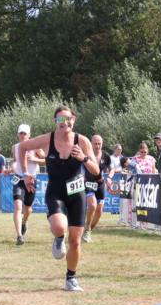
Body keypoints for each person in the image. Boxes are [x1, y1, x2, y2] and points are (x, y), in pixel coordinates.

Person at [16, 106, 102, 291]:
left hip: (77, 193)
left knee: (76, 241)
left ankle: (71, 278)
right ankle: (58, 237)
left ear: (74, 120)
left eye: (69, 119)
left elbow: (96, 171)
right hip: (55, 191)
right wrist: (25, 174)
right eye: (61, 120)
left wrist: (84, 158)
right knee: (59, 227)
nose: (66, 123)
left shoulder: (82, 141)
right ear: (55, 121)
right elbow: (22, 148)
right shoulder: (47, 140)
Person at [11, 124, 45, 246]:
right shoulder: (15, 147)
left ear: (29, 135)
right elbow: (15, 162)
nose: (22, 135)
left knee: (28, 208)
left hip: (31, 180)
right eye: (21, 133)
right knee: (18, 206)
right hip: (19, 179)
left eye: (25, 133)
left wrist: (34, 160)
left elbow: (46, 160)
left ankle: (24, 222)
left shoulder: (35, 146)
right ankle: (19, 236)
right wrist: (11, 169)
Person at [83, 134, 112, 242]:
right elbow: (79, 167)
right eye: (95, 143)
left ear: (102, 143)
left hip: (100, 184)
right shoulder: (86, 154)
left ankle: (88, 230)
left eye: (99, 143)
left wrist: (109, 177)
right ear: (91, 143)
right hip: (88, 183)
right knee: (92, 205)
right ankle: (86, 231)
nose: (97, 145)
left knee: (99, 212)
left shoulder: (106, 156)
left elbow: (111, 169)